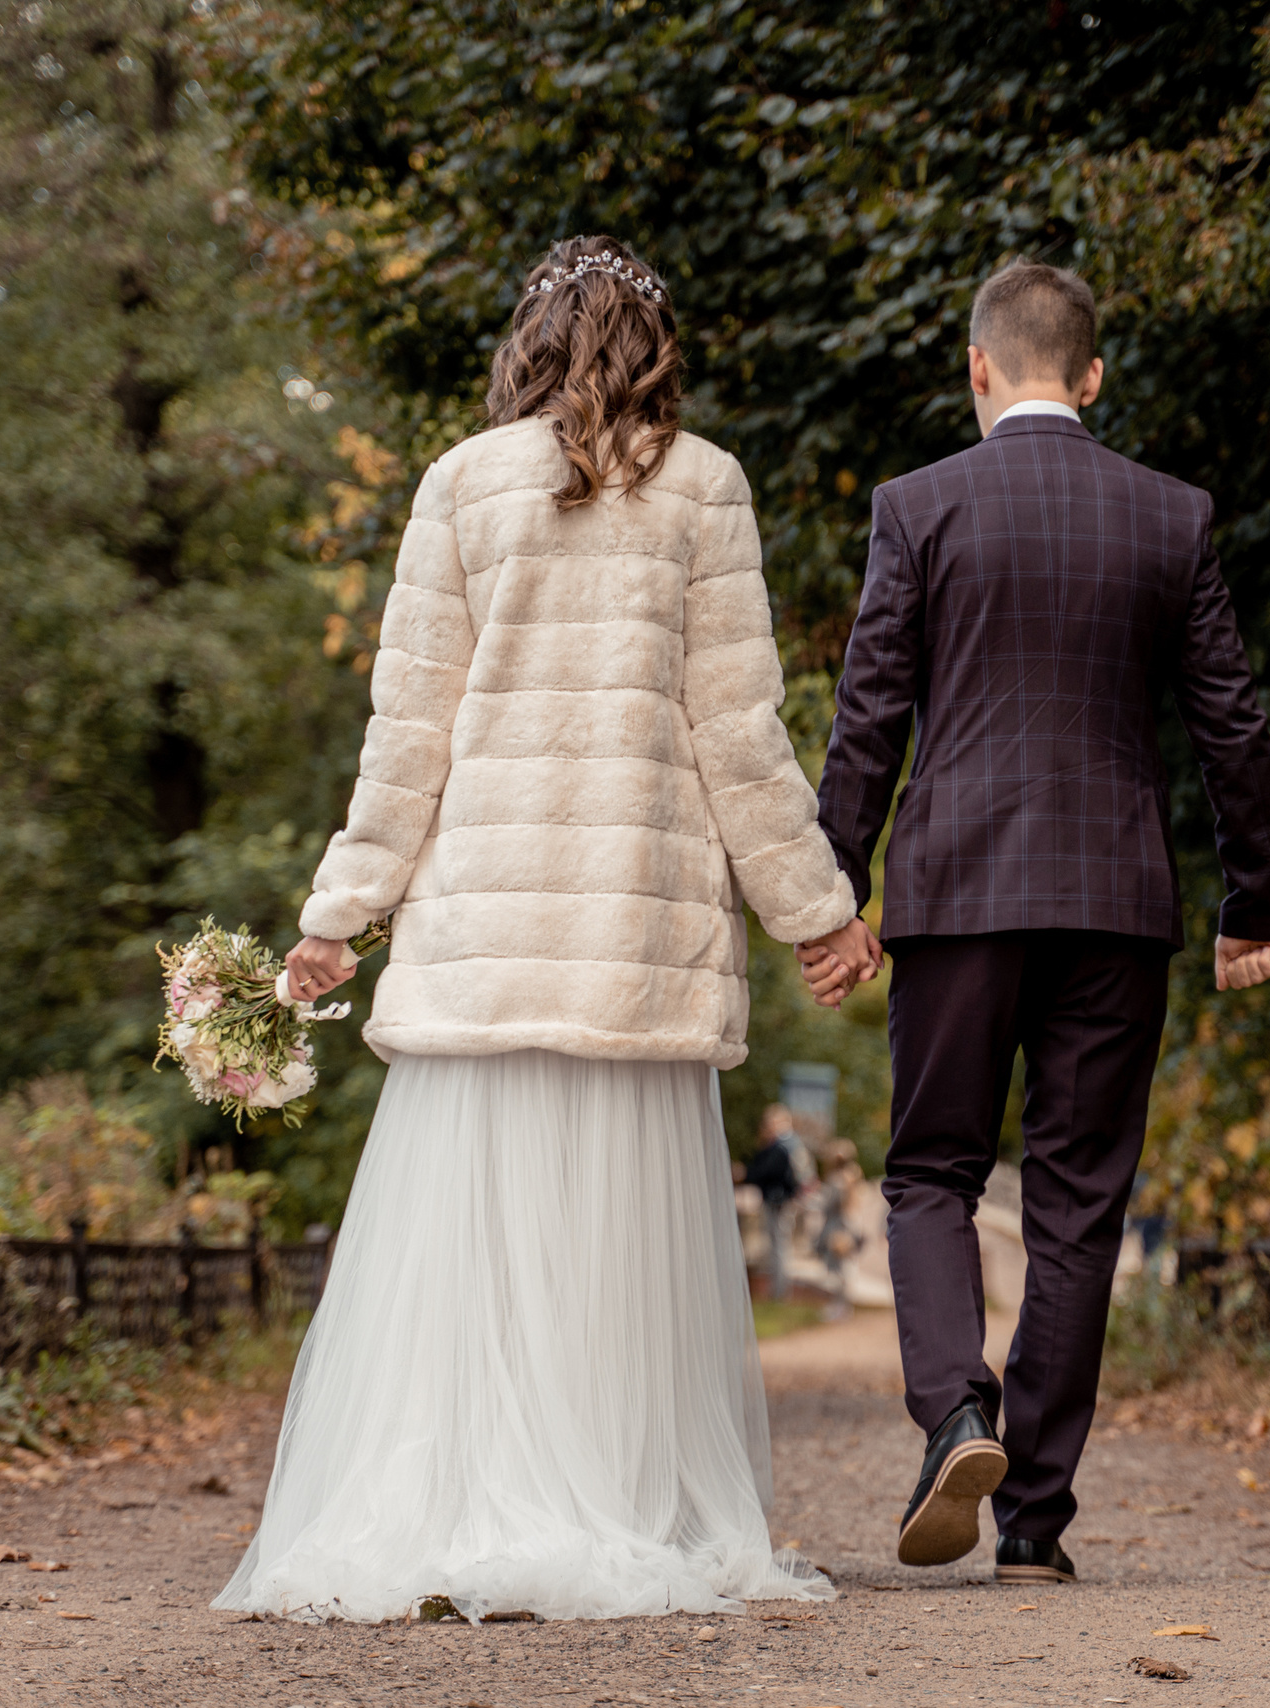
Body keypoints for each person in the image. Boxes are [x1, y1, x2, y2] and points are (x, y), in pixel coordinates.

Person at [216, 235, 878, 1624]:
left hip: (485, 944)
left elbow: (409, 737)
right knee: (619, 1268)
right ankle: (617, 1511)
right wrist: (819, 913)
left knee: (472, 1260)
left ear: (525, 347)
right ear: (655, 345)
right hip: (632, 951)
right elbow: (738, 737)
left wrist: (339, 914)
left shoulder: (459, 486)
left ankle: (459, 1513)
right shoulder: (705, 487)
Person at [806, 259, 1270, 1588]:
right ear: (1091, 377)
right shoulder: (1169, 516)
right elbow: (1229, 719)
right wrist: (1258, 898)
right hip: (1115, 907)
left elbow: (869, 718)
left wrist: (829, 895)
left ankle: (956, 1411)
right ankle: (1034, 1528)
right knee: (1080, 1206)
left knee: (930, 1176)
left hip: (957, 898)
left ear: (976, 367)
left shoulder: (919, 508)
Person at [743, 1103, 802, 1302]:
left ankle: (780, 1292)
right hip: (780, 1200)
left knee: (779, 1247)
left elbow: (764, 1171)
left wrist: (745, 1174)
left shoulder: (783, 1146)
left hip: (779, 1201)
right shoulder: (788, 1144)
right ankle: (778, 1290)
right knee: (777, 1247)